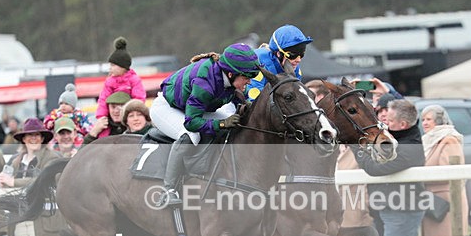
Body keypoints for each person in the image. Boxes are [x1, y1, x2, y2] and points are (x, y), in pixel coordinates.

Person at [151, 43, 261, 207]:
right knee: (190, 135)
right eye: (246, 77)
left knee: (234, 122)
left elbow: (243, 102)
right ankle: (168, 190)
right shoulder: (205, 82)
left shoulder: (233, 79)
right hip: (167, 107)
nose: (249, 82)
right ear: (231, 74)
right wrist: (221, 124)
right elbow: (191, 123)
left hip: (193, 108)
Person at [355, 98, 431, 236]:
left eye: (389, 121)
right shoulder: (402, 138)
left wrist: (357, 148)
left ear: (403, 124)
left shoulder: (408, 148)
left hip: (402, 208)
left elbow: (374, 169)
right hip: (396, 206)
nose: (384, 123)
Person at [419, 104, 469, 236]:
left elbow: (449, 171)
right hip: (433, 202)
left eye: (428, 119)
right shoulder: (429, 141)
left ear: (438, 121)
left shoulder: (449, 140)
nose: (424, 123)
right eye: (423, 119)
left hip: (446, 202)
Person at [94, 37, 146, 139]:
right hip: (113, 118)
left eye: (113, 65)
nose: (110, 68)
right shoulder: (109, 81)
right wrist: (101, 116)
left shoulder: (134, 80)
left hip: (128, 115)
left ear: (122, 66)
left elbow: (138, 99)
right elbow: (103, 99)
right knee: (104, 132)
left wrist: (131, 114)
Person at [246, 24, 312, 102]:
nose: (298, 60)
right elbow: (254, 100)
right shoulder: (259, 61)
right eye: (293, 55)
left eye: (301, 55)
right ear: (279, 54)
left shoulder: (295, 70)